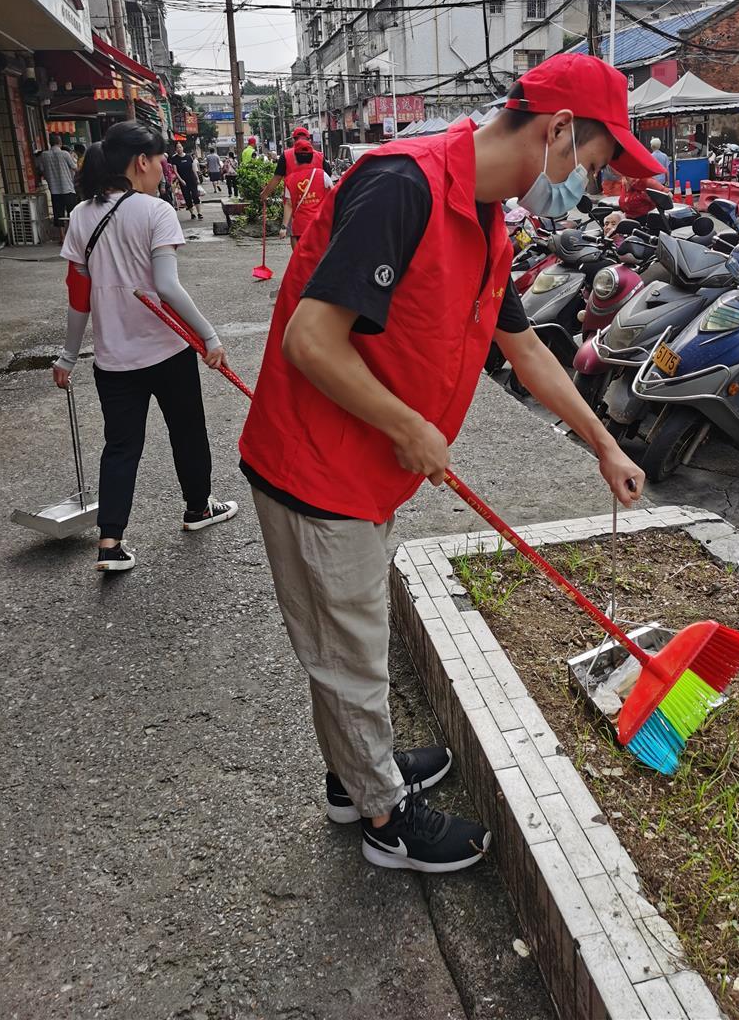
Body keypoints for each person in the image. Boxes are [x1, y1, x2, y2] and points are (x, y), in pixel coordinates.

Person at [238, 53, 655, 875]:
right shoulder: (403, 186)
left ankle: (352, 775)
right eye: (592, 164)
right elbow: (310, 340)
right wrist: (409, 426)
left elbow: (526, 349)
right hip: (318, 467)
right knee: (349, 648)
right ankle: (385, 817)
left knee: (353, 636)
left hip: (371, 467)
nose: (587, 187)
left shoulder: (488, 215)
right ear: (559, 130)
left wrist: (605, 444)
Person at [52, 121, 238, 573]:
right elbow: (167, 287)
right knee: (188, 430)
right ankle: (197, 508)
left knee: (120, 447)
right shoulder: (156, 212)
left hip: (113, 360)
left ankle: (111, 544)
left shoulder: (80, 217)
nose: (163, 167)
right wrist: (210, 338)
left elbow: (79, 299)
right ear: (141, 162)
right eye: (160, 160)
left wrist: (68, 356)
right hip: (168, 351)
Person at [279, 138, 332, 251]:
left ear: (295, 158)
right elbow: (334, 195)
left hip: (299, 229)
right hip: (320, 226)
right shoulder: (322, 175)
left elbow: (288, 204)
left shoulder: (290, 179)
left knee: (301, 262)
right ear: (312, 157)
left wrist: (283, 227)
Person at [259, 127, 332, 205]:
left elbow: (277, 178)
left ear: (294, 140)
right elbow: (328, 179)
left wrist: (265, 194)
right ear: (309, 140)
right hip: (317, 204)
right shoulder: (319, 156)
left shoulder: (286, 155)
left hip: (293, 204)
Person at [38, 134, 79, 225]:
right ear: (60, 142)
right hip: (68, 189)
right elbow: (75, 168)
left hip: (54, 190)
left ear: (50, 143)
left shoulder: (44, 155)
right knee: (72, 215)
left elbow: (41, 169)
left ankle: (62, 237)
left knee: (58, 215)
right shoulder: (65, 154)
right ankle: (70, 233)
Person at [169, 141, 203, 220]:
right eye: (177, 147)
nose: (179, 149)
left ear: (182, 148)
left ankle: (199, 213)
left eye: (180, 147)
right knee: (187, 197)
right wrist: (181, 180)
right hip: (183, 181)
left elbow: (193, 168)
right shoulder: (174, 159)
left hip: (192, 179)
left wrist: (197, 178)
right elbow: (175, 171)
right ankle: (192, 213)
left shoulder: (188, 157)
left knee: (195, 195)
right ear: (175, 149)